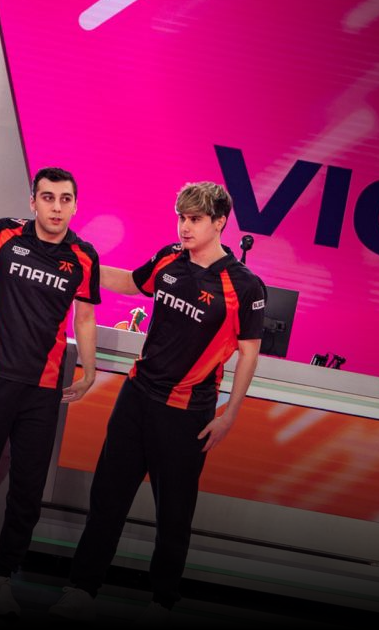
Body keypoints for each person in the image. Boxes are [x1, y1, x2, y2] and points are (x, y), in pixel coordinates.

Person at [49, 182, 265, 622]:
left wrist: (230, 414)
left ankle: (162, 600)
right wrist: (81, 264)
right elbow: (131, 282)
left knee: (174, 515)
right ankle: (81, 588)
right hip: (136, 397)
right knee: (107, 500)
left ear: (219, 222)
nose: (184, 227)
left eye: (195, 219)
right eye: (181, 218)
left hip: (187, 414)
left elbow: (248, 354)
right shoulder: (169, 257)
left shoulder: (244, 286)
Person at [0, 167, 100, 615]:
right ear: (33, 202)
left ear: (75, 205)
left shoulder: (84, 256)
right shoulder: (5, 234)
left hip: (41, 390)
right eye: (48, 197)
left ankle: (2, 579)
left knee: (27, 493)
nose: (56, 207)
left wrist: (88, 369)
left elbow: (85, 317)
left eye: (65, 199)